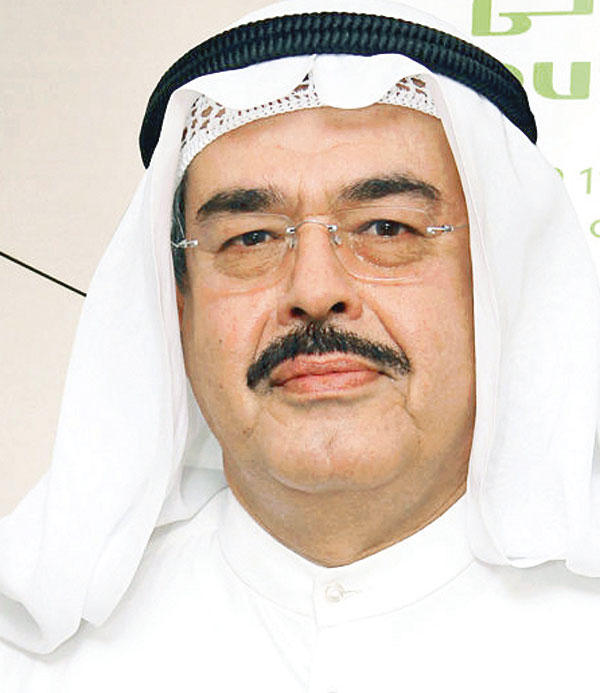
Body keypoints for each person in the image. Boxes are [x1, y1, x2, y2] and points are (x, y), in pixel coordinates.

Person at [1, 0, 600, 690]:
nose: (314, 290)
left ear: (502, 287)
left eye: (387, 228)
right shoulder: (33, 661)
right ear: (178, 309)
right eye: (250, 238)